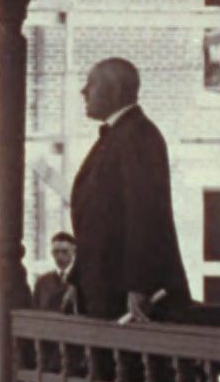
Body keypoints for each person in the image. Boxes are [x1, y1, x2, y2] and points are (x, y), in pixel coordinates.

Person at [69, 58, 193, 324]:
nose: (83, 91)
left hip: (126, 301)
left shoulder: (138, 136)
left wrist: (140, 285)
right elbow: (96, 222)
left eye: (91, 83)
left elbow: (145, 215)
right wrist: (76, 279)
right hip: (104, 292)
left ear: (114, 91)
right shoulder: (116, 136)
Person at [31, 233, 78, 311]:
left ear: (74, 251)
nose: (59, 256)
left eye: (65, 252)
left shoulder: (80, 280)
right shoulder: (42, 282)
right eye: (56, 252)